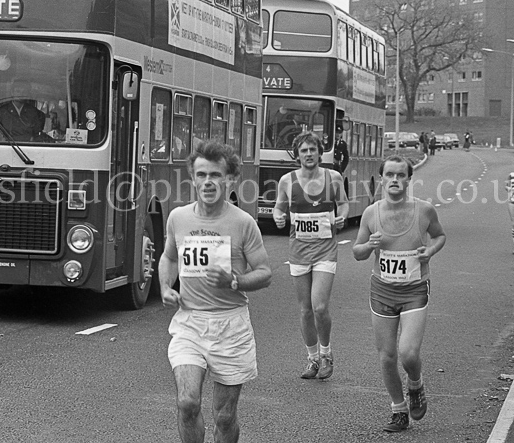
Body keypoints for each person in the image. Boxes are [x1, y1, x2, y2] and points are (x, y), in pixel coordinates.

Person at [159, 140, 273, 443]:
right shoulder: (178, 217)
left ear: (230, 179)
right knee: (187, 403)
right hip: (189, 323)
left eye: (215, 175)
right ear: (193, 178)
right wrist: (165, 286)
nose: (208, 182)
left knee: (224, 417)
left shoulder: (243, 223)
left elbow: (264, 273)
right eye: (201, 175)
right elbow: (169, 257)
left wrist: (234, 280)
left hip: (230, 325)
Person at [352, 155, 446, 433]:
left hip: (415, 289)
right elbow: (357, 252)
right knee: (387, 356)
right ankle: (398, 409)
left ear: (408, 179)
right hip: (382, 290)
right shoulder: (371, 213)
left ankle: (415, 384)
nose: (394, 180)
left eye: (400, 175)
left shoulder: (424, 210)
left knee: (408, 352)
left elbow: (440, 236)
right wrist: (368, 245)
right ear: (381, 178)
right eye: (389, 175)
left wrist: (429, 250)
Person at [273, 132, 348, 380]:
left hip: (325, 249)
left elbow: (344, 203)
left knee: (319, 306)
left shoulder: (333, 177)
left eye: (312, 150)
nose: (308, 154)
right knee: (305, 310)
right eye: (304, 150)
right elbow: (279, 207)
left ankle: (327, 354)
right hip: (299, 251)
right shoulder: (287, 180)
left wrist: (342, 215)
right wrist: (278, 217)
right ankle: (312, 359)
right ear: (297, 154)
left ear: (319, 152)